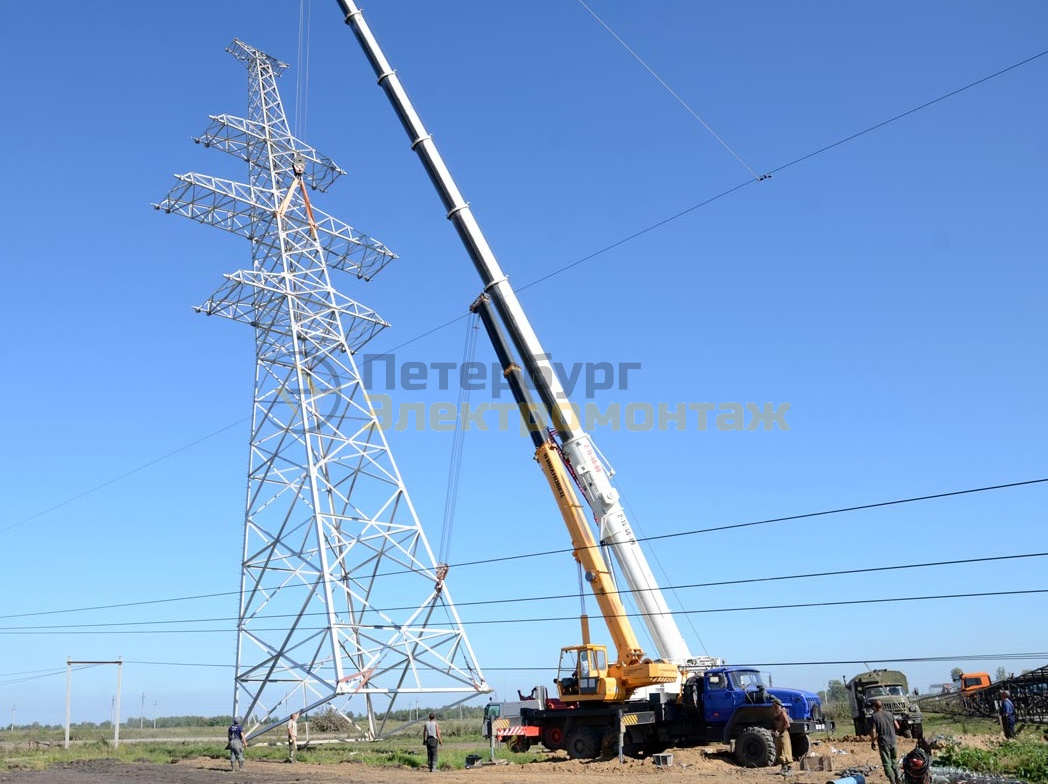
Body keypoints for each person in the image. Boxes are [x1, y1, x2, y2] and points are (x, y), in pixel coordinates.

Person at [868, 700, 901, 784]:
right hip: (893, 741)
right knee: (894, 760)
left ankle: (892, 781)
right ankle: (898, 779)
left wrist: (873, 741)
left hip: (883, 742)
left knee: (887, 762)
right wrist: (892, 732)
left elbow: (873, 731)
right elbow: (897, 727)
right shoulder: (889, 714)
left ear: (874, 707)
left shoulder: (874, 717)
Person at [771, 696, 793, 772]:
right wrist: (774, 731)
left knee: (786, 750)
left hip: (784, 733)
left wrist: (780, 731)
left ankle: (789, 767)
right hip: (778, 734)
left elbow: (787, 724)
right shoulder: (775, 713)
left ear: (777, 705)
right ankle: (783, 766)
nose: (772, 707)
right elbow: (774, 724)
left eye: (773, 705)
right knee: (779, 751)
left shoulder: (782, 712)